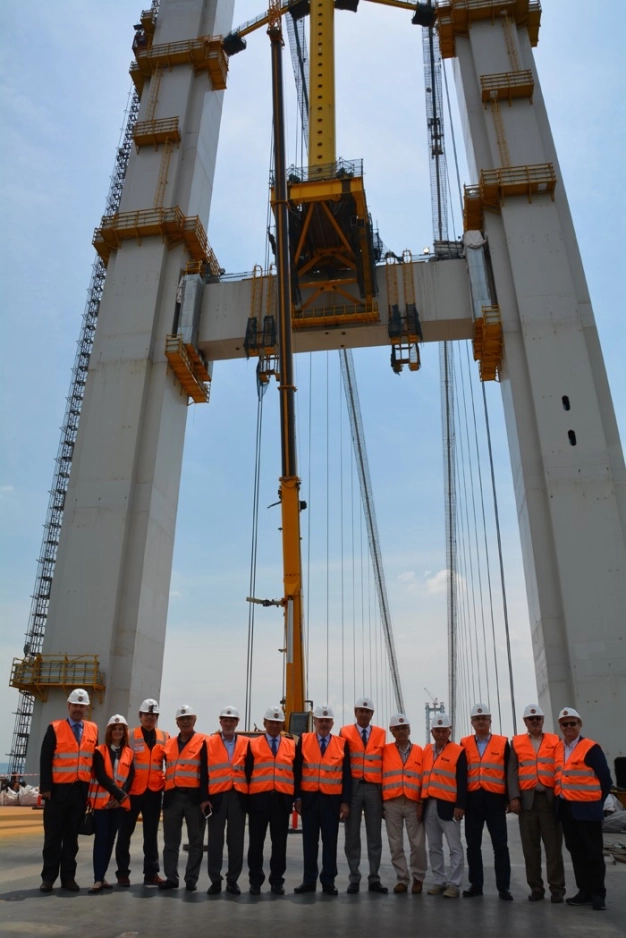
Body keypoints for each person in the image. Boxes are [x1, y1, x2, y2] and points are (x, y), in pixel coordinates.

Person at [39, 688, 99, 892]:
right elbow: (45, 759)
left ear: (86, 708)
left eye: (82, 706)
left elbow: (94, 764)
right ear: (68, 706)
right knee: (52, 838)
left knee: (71, 839)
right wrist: (45, 788)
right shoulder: (54, 728)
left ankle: (68, 879)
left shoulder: (93, 730)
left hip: (80, 793)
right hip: (57, 793)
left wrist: (92, 793)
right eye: (75, 705)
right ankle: (48, 878)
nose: (78, 709)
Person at [554, 707, 613, 911]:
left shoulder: (590, 748)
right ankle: (584, 891)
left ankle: (598, 893)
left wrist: (596, 802)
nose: (569, 727)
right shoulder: (558, 749)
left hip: (588, 809)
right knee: (576, 852)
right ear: (560, 727)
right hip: (567, 809)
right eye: (565, 724)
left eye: (572, 723)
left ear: (580, 725)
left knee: (593, 852)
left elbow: (605, 780)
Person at [507, 704, 565, 902]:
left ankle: (557, 889)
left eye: (538, 718)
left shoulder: (555, 740)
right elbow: (512, 772)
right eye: (531, 719)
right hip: (527, 802)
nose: (534, 721)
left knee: (554, 847)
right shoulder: (516, 742)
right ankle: (536, 888)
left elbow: (561, 768)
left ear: (542, 720)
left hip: (550, 801)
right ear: (525, 722)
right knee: (530, 848)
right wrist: (514, 797)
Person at [293, 704, 351, 895]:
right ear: (314, 721)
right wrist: (298, 797)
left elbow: (346, 775)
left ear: (332, 723)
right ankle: (309, 880)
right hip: (309, 800)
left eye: (327, 721)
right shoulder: (304, 740)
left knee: (330, 842)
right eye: (320, 720)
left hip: (331, 801)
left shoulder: (342, 744)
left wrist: (345, 802)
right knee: (309, 842)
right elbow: (297, 770)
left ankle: (328, 881)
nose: (324, 724)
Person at [461, 703, 513, 900]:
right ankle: (476, 885)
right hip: (473, 801)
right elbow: (460, 775)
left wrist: (509, 799)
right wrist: (461, 802)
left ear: (490, 721)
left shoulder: (502, 742)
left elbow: (509, 772)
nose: (481, 721)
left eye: (484, 718)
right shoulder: (463, 743)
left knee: (500, 845)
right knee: (473, 846)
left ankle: (504, 887)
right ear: (472, 722)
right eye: (477, 718)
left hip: (495, 800)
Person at [115, 698, 169, 886]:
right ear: (140, 716)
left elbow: (169, 763)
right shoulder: (129, 736)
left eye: (153, 715)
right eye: (147, 714)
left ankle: (151, 873)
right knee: (124, 834)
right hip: (132, 792)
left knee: (151, 834)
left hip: (154, 792)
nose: (150, 718)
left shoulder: (164, 736)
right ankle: (122, 873)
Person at [246, 705, 296, 895]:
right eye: (271, 722)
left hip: (281, 802)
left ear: (282, 723)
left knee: (279, 844)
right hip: (259, 800)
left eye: (278, 722)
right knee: (256, 844)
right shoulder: (253, 744)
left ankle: (277, 881)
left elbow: (295, 773)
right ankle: (255, 881)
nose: (274, 726)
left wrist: (293, 798)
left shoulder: (291, 745)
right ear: (265, 723)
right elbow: (247, 772)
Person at [340, 696, 387, 894]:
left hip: (374, 788)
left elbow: (385, 764)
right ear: (355, 712)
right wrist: (343, 798)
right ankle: (354, 878)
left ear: (372, 714)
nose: (364, 714)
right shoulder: (345, 732)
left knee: (374, 835)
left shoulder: (381, 734)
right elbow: (341, 764)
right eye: (361, 710)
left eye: (367, 711)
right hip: (353, 788)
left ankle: (374, 878)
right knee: (352, 835)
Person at [159, 705, 208, 892]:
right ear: (177, 722)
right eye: (182, 719)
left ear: (194, 721)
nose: (186, 721)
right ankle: (171, 877)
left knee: (196, 840)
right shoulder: (169, 743)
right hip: (172, 798)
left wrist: (205, 798)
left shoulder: (204, 741)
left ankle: (191, 879)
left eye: (189, 718)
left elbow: (206, 772)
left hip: (194, 799)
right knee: (171, 841)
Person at [421, 712, 467, 898]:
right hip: (429, 805)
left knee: (454, 847)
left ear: (450, 731)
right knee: (434, 847)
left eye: (444, 731)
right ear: (432, 731)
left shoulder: (458, 751)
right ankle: (439, 881)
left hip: (449, 806)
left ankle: (454, 884)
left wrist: (460, 805)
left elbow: (463, 781)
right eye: (437, 731)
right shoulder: (426, 752)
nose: (440, 734)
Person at [88, 715, 135, 893]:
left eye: (121, 729)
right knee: (101, 839)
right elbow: (102, 776)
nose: (117, 732)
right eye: (114, 729)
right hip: (102, 804)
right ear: (109, 732)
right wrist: (120, 795)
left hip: (117, 805)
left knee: (110, 841)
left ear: (124, 733)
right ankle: (97, 878)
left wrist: (119, 799)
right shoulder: (100, 751)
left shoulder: (129, 753)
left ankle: (102, 876)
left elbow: (130, 777)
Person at [206, 705, 249, 896]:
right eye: (225, 720)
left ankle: (233, 880)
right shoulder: (209, 742)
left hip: (238, 796)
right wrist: (204, 798)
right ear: (220, 721)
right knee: (215, 840)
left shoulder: (247, 743)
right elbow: (202, 773)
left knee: (236, 841)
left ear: (237, 722)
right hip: (216, 797)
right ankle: (215, 880)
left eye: (232, 720)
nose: (229, 723)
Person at [381, 713, 427, 894]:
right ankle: (402, 879)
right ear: (392, 731)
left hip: (413, 803)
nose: (401, 731)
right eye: (397, 728)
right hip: (392, 802)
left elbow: (424, 778)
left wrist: (422, 801)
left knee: (417, 843)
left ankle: (418, 878)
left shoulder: (420, 752)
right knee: (395, 844)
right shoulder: (384, 751)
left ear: (409, 730)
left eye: (404, 728)